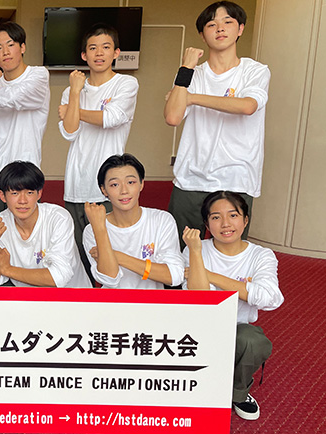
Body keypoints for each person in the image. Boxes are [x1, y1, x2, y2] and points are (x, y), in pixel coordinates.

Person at [163, 1, 270, 248]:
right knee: (179, 251)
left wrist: (191, 98)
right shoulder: (192, 74)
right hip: (191, 177)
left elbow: (247, 106)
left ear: (240, 29)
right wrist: (185, 68)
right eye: (212, 24)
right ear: (202, 35)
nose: (220, 28)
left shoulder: (255, 71)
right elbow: (172, 117)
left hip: (237, 177)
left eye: (227, 22)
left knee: (229, 253)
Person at [182, 191, 283, 421]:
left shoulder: (260, 255)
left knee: (253, 340)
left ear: (245, 220)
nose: (225, 224)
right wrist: (195, 251)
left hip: (237, 330)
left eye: (233, 215)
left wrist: (210, 275)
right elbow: (199, 299)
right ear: (207, 223)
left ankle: (238, 393)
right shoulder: (195, 248)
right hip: (197, 329)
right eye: (216, 217)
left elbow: (270, 298)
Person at [58, 24, 139, 284]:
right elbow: (69, 131)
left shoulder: (126, 83)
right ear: (84, 55)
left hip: (109, 187)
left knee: (108, 255)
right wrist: (75, 92)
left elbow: (111, 118)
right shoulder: (72, 90)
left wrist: (74, 111)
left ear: (116, 52)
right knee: (78, 258)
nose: (99, 53)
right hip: (76, 184)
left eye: (106, 47)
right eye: (93, 48)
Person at [0, 22, 50, 232]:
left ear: (22, 47)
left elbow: (16, 97)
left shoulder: (38, 75)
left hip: (26, 174)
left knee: (26, 237)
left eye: (11, 44)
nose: (5, 52)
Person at [0, 161, 90, 288]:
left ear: (39, 194)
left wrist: (8, 269)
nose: (22, 201)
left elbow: (58, 277)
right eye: (15, 193)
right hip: (28, 298)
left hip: (72, 296)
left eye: (29, 193)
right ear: (2, 196)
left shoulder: (58, 218)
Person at [83, 154, 184, 289]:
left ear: (142, 184)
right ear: (104, 190)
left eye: (130, 182)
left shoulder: (161, 220)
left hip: (151, 301)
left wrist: (118, 257)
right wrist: (100, 229)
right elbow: (110, 280)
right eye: (114, 184)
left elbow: (174, 276)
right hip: (112, 301)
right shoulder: (92, 229)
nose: (124, 191)